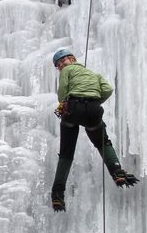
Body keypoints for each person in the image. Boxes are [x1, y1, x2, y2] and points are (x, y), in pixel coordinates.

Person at [50, 48, 138, 212]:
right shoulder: (95, 75)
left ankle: (57, 194)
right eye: (59, 64)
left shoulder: (67, 71)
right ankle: (117, 172)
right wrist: (95, 101)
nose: (61, 65)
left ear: (72, 59)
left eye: (63, 61)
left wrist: (63, 103)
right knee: (103, 142)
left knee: (66, 153)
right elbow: (108, 90)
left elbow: (63, 89)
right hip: (94, 110)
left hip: (73, 108)